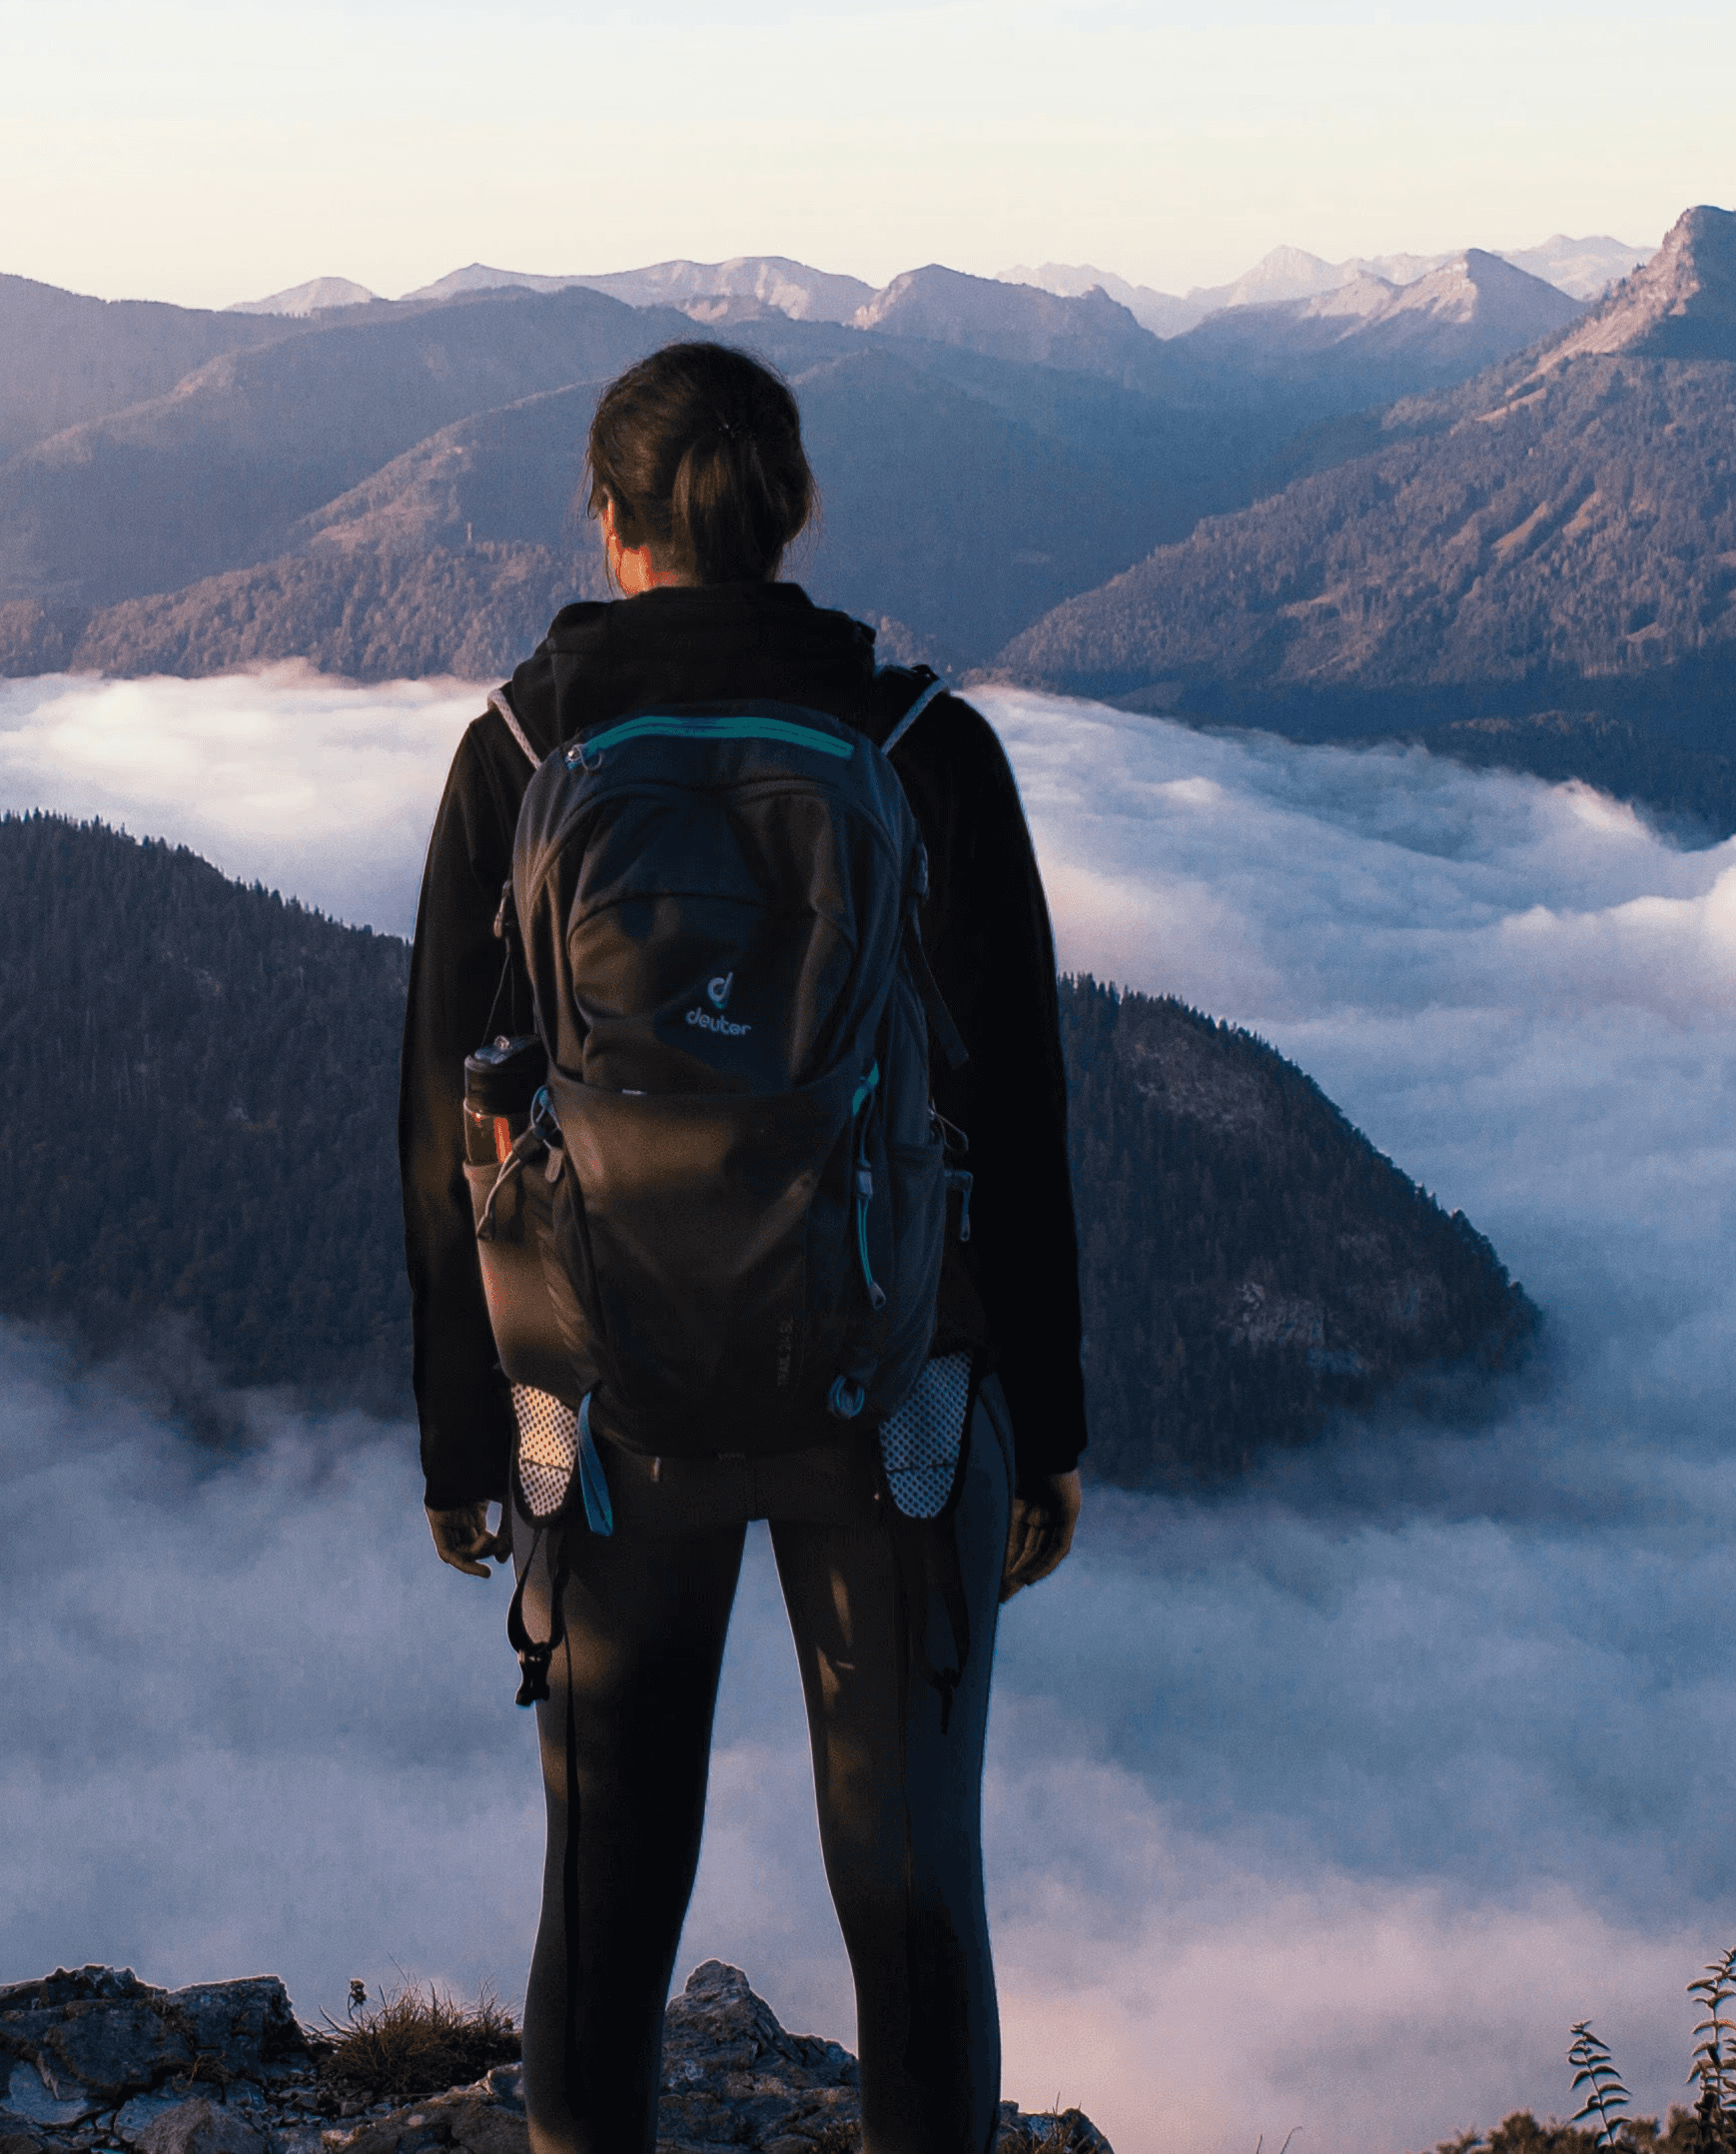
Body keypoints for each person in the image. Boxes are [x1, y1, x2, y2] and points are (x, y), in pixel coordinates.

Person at [401, 339, 1087, 2154]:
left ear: (605, 515)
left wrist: (465, 1435)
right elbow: (1016, 1100)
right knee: (911, 1880)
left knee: (608, 1897)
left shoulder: (523, 748)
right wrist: (1056, 1421)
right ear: (791, 517)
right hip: (896, 1401)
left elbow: (439, 1116)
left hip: (605, 1409)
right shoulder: (923, 746)